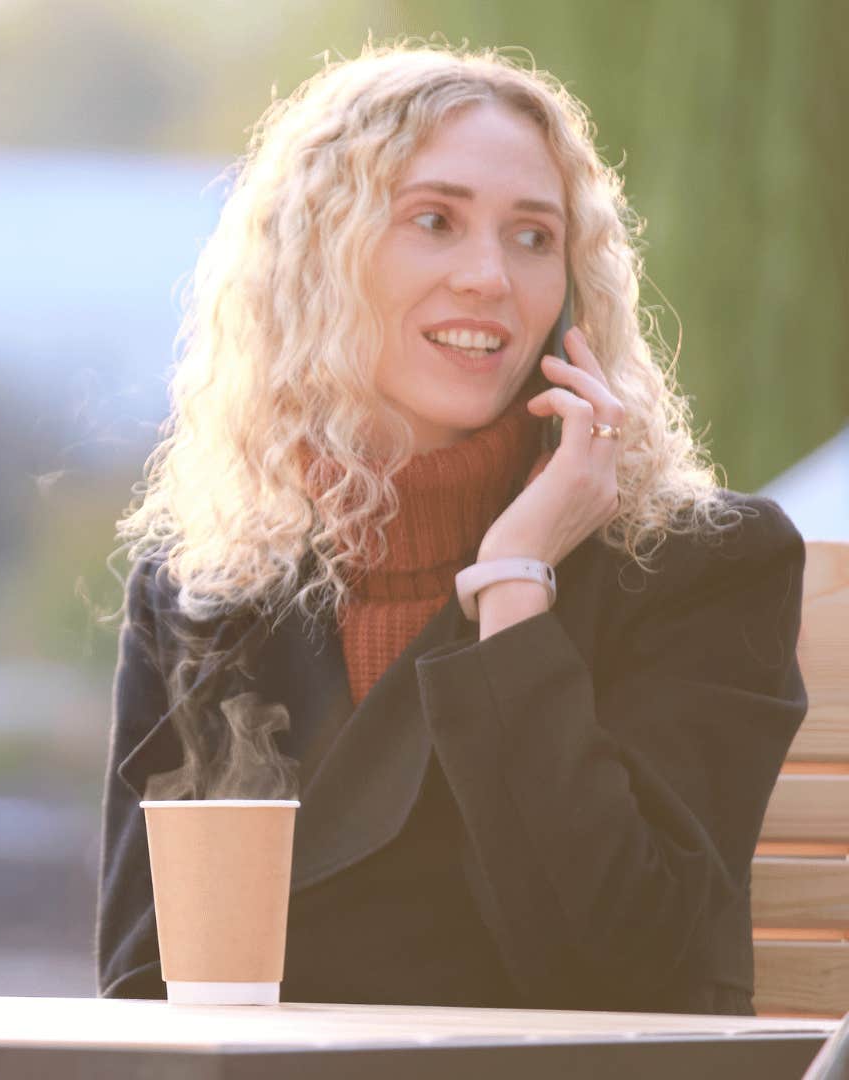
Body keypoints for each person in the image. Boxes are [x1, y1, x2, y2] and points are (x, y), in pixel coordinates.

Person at [98, 45, 806, 1013]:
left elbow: (636, 962)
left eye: (532, 237)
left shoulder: (700, 566)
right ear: (318, 260)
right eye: (434, 221)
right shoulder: (208, 589)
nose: (489, 277)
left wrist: (515, 580)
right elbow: (145, 982)